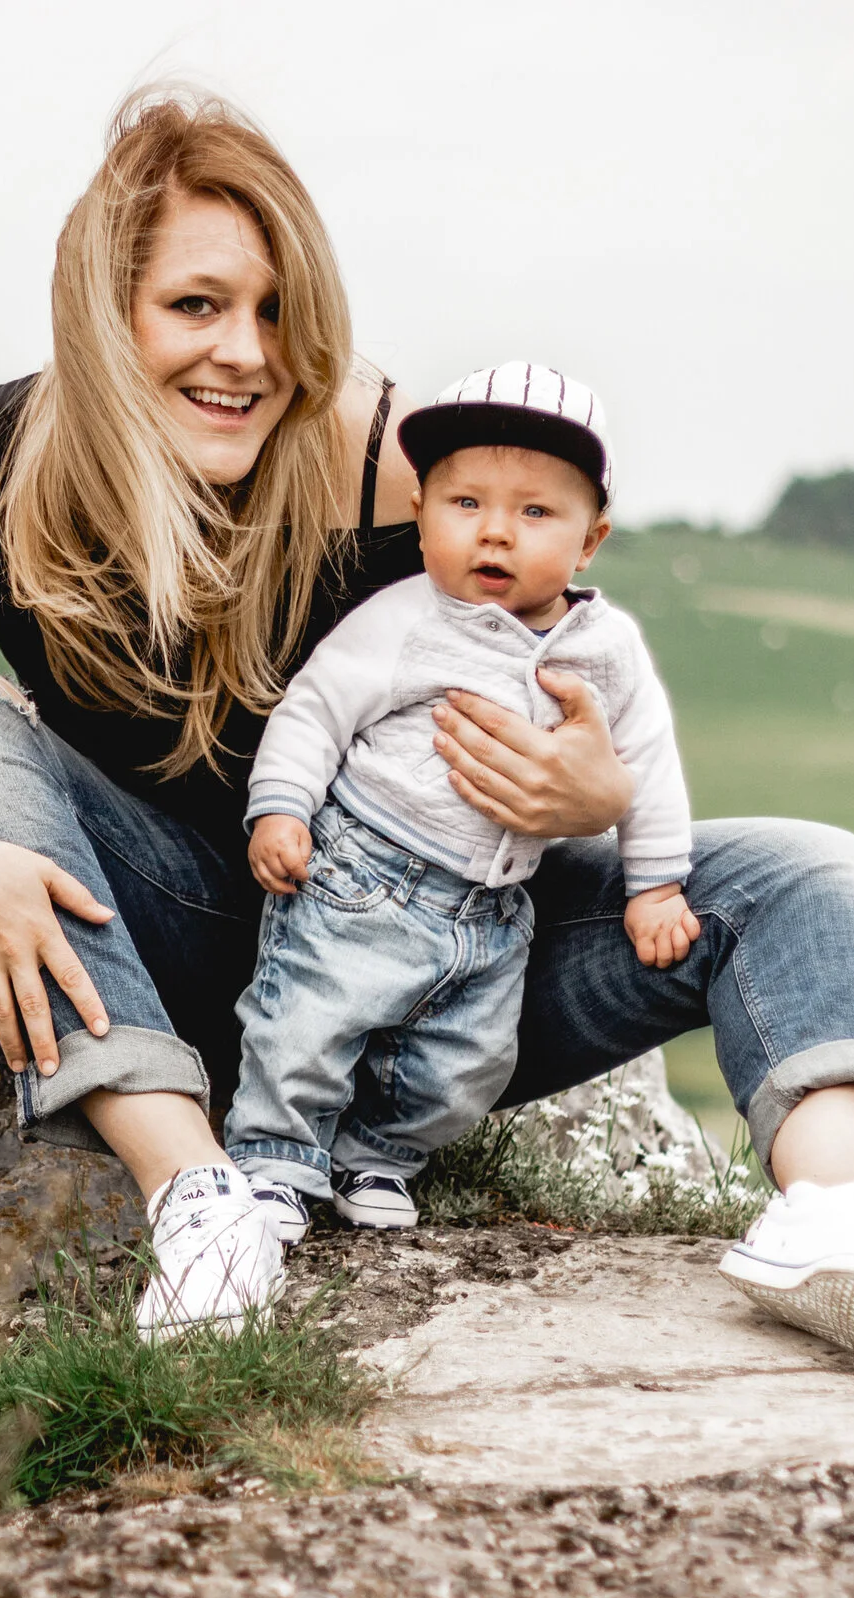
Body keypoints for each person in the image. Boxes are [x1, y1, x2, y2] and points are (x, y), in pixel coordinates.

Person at [0, 89, 854, 1367]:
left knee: (809, 871)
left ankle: (846, 1220)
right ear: (103, 312)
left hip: (429, 983)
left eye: (277, 310)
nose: (245, 353)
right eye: (195, 305)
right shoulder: (8, 460)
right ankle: (201, 1201)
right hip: (163, 950)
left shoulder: (393, 462)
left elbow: (573, 650)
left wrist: (596, 792)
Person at [226, 363, 697, 1241]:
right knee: (310, 1019)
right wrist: (282, 807)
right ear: (421, 513)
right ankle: (274, 1161)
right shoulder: (406, 620)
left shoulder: (609, 649)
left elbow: (647, 762)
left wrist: (657, 884)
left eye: (535, 512)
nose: (495, 532)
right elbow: (315, 709)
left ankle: (377, 1155)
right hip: (364, 872)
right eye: (466, 503)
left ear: (590, 541)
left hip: (495, 905)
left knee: (466, 1061)